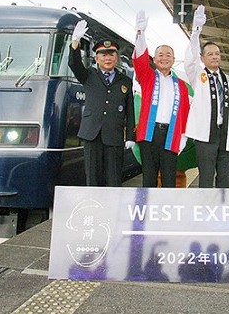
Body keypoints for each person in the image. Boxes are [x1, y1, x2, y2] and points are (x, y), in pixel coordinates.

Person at [68, 20, 135, 186]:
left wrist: (130, 137)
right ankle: (94, 204)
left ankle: (113, 203)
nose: (108, 58)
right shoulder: (88, 75)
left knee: (114, 179)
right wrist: (75, 42)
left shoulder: (125, 81)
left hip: (114, 135)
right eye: (103, 55)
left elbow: (130, 111)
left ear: (116, 58)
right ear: (97, 59)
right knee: (93, 178)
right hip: (92, 134)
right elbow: (74, 64)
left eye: (111, 54)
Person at [184, 5, 229, 188]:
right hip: (206, 134)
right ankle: (205, 205)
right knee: (206, 177)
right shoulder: (198, 75)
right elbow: (190, 60)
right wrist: (196, 31)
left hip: (226, 133)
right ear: (202, 58)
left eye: (217, 53)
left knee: (225, 179)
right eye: (210, 54)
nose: (215, 57)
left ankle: (222, 204)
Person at [133, 11, 190, 188]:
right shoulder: (148, 77)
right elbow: (140, 60)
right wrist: (140, 34)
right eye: (160, 55)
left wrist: (183, 136)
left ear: (173, 59)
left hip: (171, 134)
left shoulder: (181, 85)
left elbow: (185, 112)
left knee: (169, 179)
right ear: (155, 59)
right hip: (150, 134)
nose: (164, 58)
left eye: (168, 55)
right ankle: (146, 206)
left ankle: (166, 207)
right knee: (149, 178)